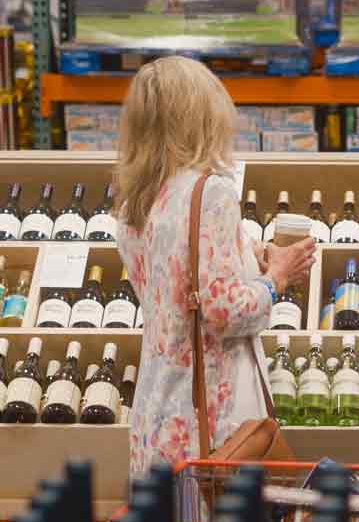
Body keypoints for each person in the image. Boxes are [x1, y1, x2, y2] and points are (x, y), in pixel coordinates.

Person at [114, 56, 316, 476]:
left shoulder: (137, 200)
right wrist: (277, 278)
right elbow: (224, 312)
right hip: (210, 416)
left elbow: (175, 287)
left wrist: (247, 253)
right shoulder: (211, 191)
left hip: (155, 411)